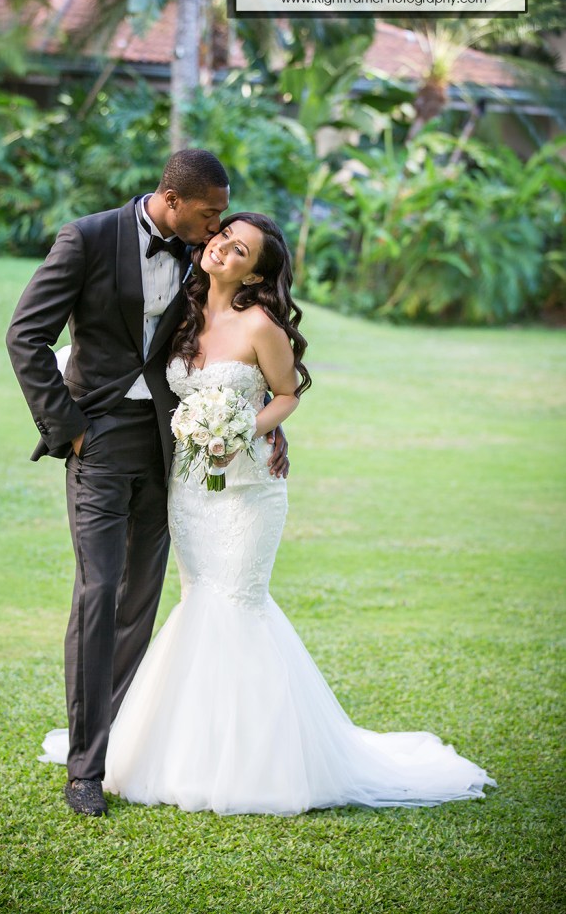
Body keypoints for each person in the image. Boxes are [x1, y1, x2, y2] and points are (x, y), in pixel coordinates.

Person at [39, 212, 498, 816]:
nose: (222, 249)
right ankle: (185, 748)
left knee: (236, 604)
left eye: (239, 251)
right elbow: (121, 352)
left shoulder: (262, 325)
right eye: (223, 237)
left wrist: (245, 431)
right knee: (196, 601)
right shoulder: (184, 309)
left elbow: (286, 394)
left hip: (247, 490)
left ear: (256, 273)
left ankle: (257, 762)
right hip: (190, 488)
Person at [6, 152, 289, 818]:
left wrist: (255, 425)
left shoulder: (202, 256)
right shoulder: (87, 238)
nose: (218, 227)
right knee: (99, 592)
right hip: (97, 440)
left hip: (173, 448)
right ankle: (84, 770)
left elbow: (235, 347)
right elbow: (26, 336)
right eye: (210, 212)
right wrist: (68, 428)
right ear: (171, 198)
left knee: (139, 601)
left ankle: (117, 746)